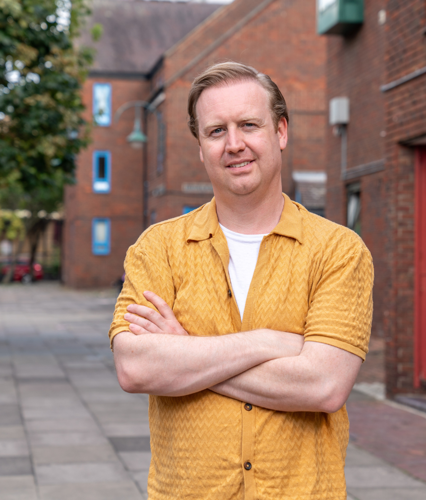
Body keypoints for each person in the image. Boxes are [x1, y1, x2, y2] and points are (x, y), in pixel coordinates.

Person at [109, 62, 373, 500]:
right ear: (200, 147)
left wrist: (186, 355)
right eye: (216, 131)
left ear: (281, 132)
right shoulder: (158, 248)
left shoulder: (338, 251)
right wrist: (270, 342)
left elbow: (325, 386)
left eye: (249, 125)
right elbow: (135, 367)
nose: (234, 144)